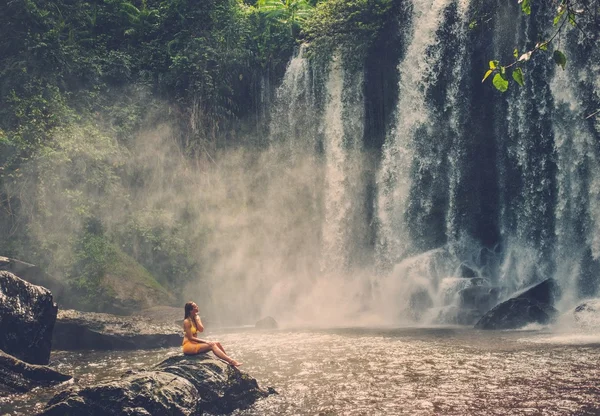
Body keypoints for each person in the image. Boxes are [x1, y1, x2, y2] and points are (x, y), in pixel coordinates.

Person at [182, 301, 242, 367]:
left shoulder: (197, 318)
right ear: (190, 310)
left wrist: (197, 319)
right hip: (188, 345)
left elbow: (201, 329)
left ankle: (227, 360)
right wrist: (206, 341)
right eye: (195, 306)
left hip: (195, 344)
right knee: (212, 345)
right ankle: (231, 361)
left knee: (217, 343)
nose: (197, 307)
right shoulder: (187, 322)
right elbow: (190, 338)